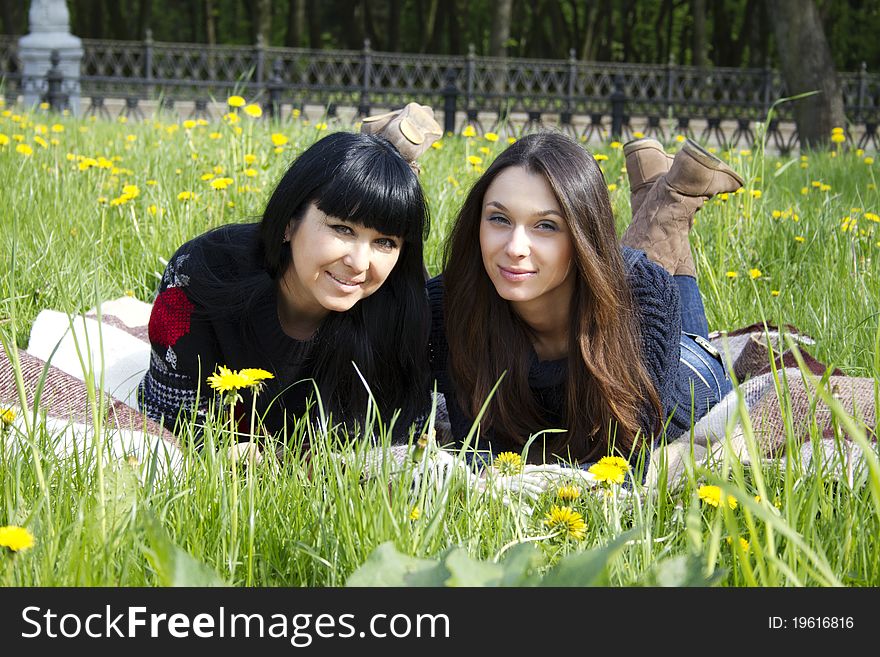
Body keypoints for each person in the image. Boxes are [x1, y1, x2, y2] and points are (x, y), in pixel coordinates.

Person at [428, 131, 743, 468]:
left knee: (651, 294)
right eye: (499, 219)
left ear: (583, 235)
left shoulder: (645, 297)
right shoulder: (450, 303)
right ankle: (660, 197)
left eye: (546, 225)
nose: (514, 248)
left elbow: (624, 464)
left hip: (684, 375)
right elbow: (475, 450)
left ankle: (672, 206)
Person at [139, 123, 440, 447]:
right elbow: (168, 418)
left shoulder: (402, 308)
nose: (360, 262)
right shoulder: (199, 277)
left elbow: (403, 436)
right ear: (288, 222)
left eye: (384, 242)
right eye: (343, 229)